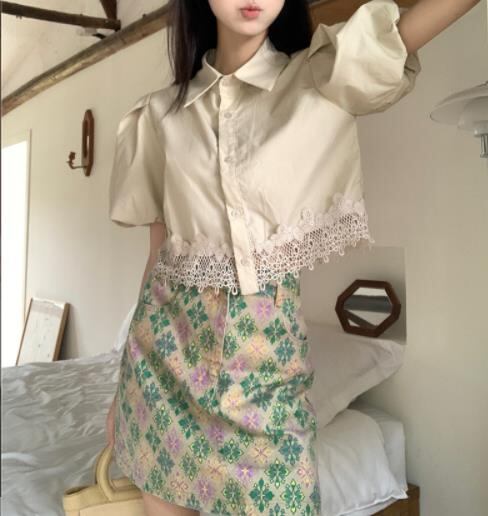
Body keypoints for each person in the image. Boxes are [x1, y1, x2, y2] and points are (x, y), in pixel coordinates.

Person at [105, 0, 480, 514]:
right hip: (159, 374)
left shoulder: (319, 78)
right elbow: (158, 257)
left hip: (266, 376)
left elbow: (405, 34)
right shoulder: (157, 117)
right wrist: (123, 388)